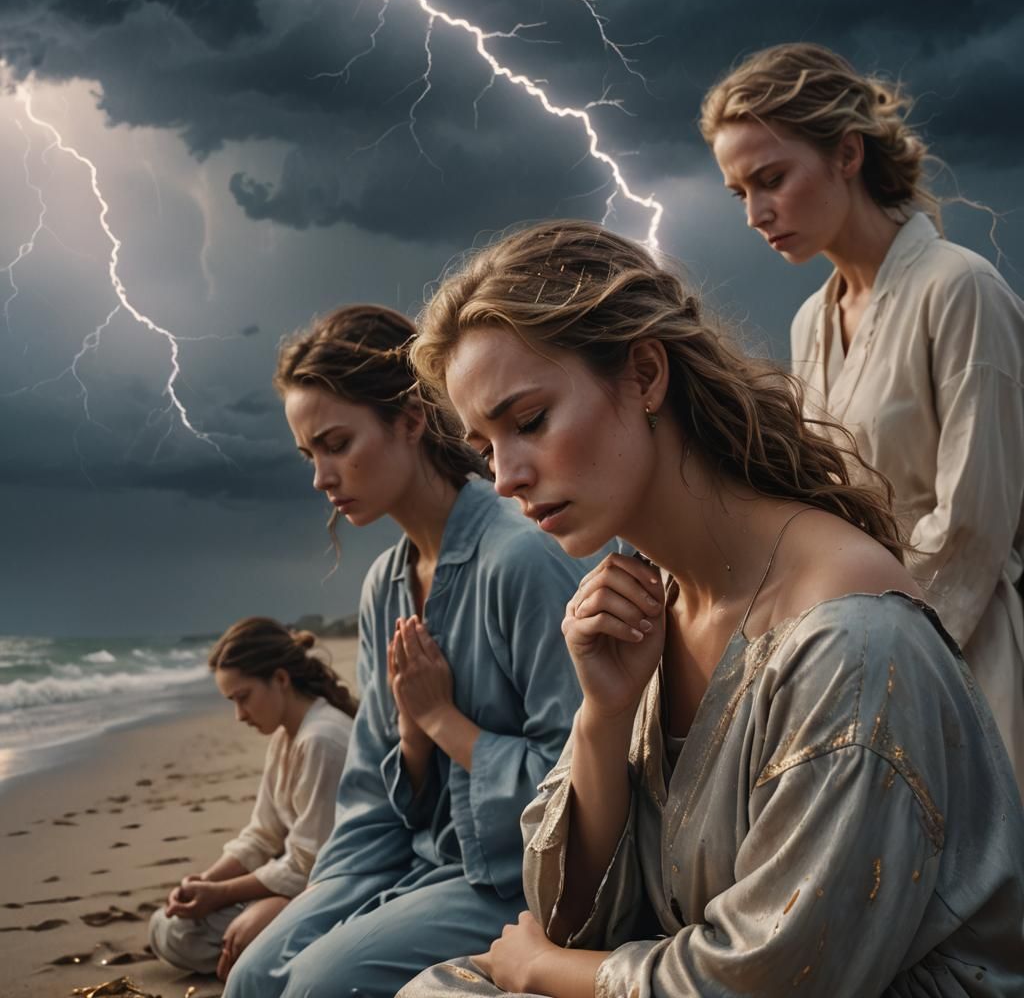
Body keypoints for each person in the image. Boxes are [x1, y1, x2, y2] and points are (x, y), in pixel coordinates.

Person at [396, 219, 1024, 997]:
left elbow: (774, 980)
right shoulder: (655, 607)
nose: (507, 477)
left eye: (528, 422)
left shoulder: (850, 641)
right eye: (485, 448)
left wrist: (541, 968)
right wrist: (604, 716)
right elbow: (575, 915)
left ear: (645, 375)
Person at [223, 304, 599, 998]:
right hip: (410, 862)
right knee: (255, 977)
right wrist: (318, 898)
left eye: (337, 444)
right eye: (309, 455)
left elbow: (580, 787)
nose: (321, 478)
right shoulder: (384, 586)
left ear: (411, 420)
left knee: (314, 988)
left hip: (518, 880)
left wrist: (442, 722)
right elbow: (370, 796)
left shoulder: (522, 558)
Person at [701, 42, 1024, 792]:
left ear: (847, 154)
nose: (755, 214)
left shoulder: (961, 289)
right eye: (739, 193)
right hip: (854, 655)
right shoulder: (811, 321)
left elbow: (973, 524)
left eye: (771, 180)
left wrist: (880, 647)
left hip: (966, 650)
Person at [148, 616, 356, 981]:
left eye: (243, 698)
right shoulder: (286, 736)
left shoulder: (322, 740)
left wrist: (228, 895)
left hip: (338, 894)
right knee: (167, 925)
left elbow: (311, 865)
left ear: (280, 679)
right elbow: (262, 834)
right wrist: (205, 883)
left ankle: (281, 951)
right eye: (232, 701)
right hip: (300, 884)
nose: (239, 715)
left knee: (180, 935)